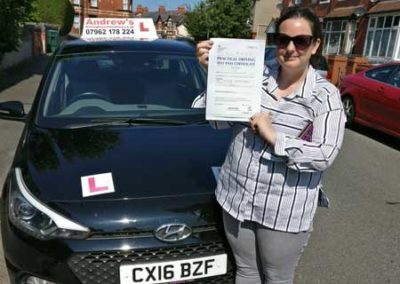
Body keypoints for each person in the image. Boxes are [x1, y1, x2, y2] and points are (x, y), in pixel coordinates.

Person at [193, 7, 346, 284]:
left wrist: (274, 136)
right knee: (247, 271)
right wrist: (214, 76)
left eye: (300, 41)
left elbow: (324, 154)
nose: (290, 48)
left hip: (283, 209)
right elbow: (218, 123)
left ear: (315, 45)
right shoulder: (254, 76)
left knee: (276, 277)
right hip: (236, 197)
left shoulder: (325, 97)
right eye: (282, 39)